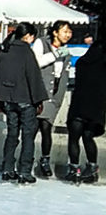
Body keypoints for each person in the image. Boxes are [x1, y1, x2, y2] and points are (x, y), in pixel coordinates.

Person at [0, 23, 49, 184]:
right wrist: (38, 100)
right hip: (25, 100)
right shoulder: (26, 52)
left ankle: (7, 169)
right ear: (28, 36)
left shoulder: (6, 50)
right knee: (28, 136)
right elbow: (33, 76)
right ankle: (24, 171)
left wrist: (0, 99)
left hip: (9, 100)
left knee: (12, 134)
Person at [64, 29, 106, 183]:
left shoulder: (82, 62)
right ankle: (92, 168)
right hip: (96, 108)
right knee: (88, 137)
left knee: (73, 138)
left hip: (78, 105)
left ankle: (74, 169)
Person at [32, 20, 72, 177]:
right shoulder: (41, 43)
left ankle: (45, 159)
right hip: (39, 92)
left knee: (47, 127)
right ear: (55, 32)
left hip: (54, 95)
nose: (68, 35)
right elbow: (36, 63)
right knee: (33, 127)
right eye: (64, 31)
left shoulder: (66, 52)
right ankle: (26, 158)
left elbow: (63, 75)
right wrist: (55, 54)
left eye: (69, 32)